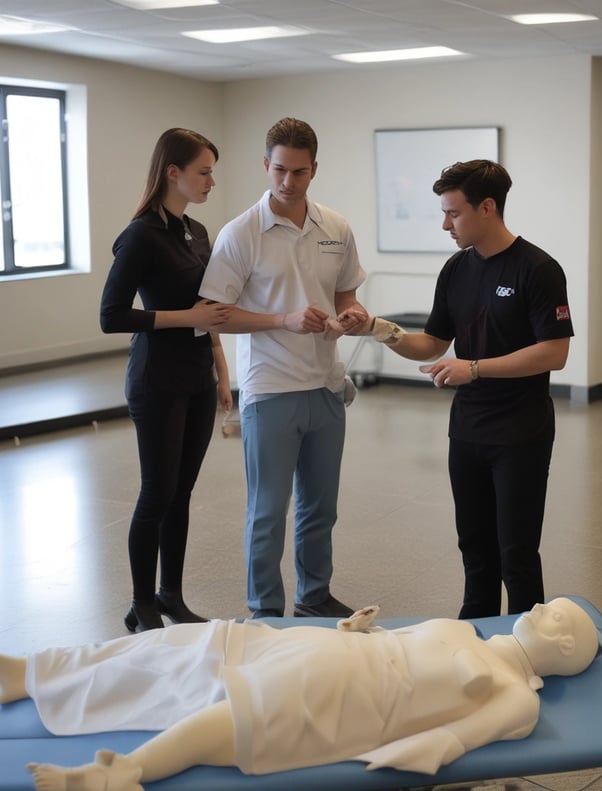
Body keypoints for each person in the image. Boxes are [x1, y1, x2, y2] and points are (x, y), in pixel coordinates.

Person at [0, 598, 598, 789]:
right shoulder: (465, 629)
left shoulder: (519, 698)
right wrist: (360, 628)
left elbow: (451, 741)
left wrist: (388, 753)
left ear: (565, 653)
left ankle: (125, 771)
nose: (541, 607)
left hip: (360, 692)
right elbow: (410, 637)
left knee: (237, 713)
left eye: (556, 619)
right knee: (182, 648)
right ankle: (29, 672)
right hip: (337, 650)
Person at [352, 160, 574, 618]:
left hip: (521, 434)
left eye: (453, 213)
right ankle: (475, 639)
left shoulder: (538, 269)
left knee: (516, 554)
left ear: (487, 208)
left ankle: (528, 647)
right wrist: (377, 328)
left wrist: (473, 369)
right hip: (468, 432)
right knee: (474, 549)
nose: (444, 224)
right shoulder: (456, 270)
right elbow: (431, 343)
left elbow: (554, 353)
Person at [198, 117, 369, 619]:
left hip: (326, 387)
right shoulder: (240, 234)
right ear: (265, 165)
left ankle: (314, 596)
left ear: (314, 169)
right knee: (268, 513)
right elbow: (214, 314)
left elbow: (345, 293)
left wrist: (352, 313)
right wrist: (283, 319)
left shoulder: (336, 227)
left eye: (298, 172)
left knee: (321, 509)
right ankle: (264, 612)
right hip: (269, 391)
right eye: (278, 170)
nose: (287, 182)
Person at [100, 128, 233, 634]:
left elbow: (210, 309)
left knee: (182, 492)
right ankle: (142, 605)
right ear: (172, 173)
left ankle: (170, 595)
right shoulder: (140, 235)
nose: (211, 181)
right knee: (157, 491)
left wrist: (221, 370)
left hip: (197, 375)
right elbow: (112, 316)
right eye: (204, 171)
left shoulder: (196, 232)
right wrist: (183, 316)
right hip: (157, 379)